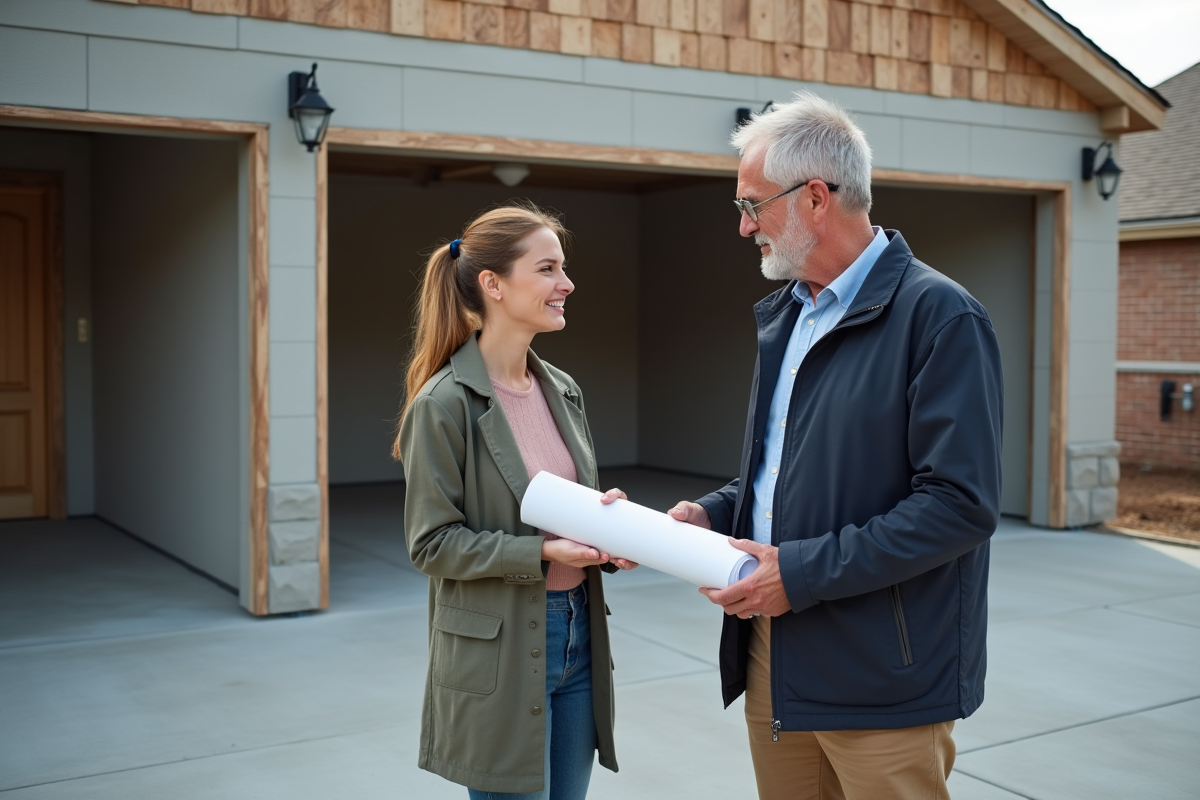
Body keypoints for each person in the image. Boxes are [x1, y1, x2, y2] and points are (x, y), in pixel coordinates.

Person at [665, 92, 1004, 799]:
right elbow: (783, 472)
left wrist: (803, 573)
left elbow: (959, 505)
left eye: (753, 204)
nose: (742, 226)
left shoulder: (940, 317)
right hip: (775, 664)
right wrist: (715, 513)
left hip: (882, 681)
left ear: (816, 197)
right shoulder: (787, 315)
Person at [395, 203, 635, 800]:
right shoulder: (443, 404)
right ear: (493, 284)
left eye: (563, 268)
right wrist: (544, 550)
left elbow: (566, 503)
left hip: (580, 632)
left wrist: (609, 530)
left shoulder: (563, 389)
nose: (567, 284)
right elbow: (431, 544)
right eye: (548, 269)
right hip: (501, 646)